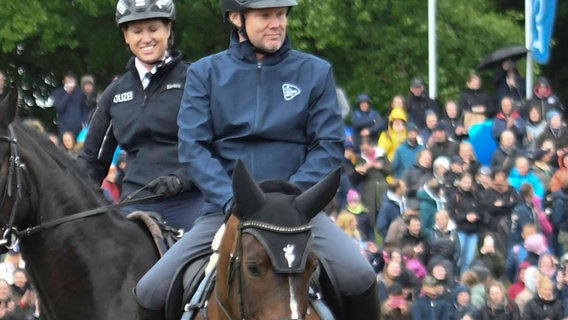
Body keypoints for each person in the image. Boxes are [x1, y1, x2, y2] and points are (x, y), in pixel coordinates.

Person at [135, 0, 379, 319]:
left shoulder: (316, 72)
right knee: (150, 291)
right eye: (265, 15)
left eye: (280, 14)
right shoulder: (204, 73)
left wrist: (291, 202)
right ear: (237, 18)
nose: (276, 22)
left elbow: (329, 146)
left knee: (360, 276)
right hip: (226, 210)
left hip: (297, 213)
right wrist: (231, 200)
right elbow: (194, 147)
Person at [78, 0, 203, 232]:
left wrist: (182, 180)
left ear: (169, 29)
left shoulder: (195, 80)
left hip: (188, 200)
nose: (146, 38)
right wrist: (90, 201)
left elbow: (214, 144)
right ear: (126, 36)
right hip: (135, 203)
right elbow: (91, 159)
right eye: (137, 31)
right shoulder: (115, 93)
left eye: (153, 29)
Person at [355, 137, 392, 227]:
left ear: (372, 146)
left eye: (367, 149)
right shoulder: (361, 159)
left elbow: (390, 170)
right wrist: (366, 167)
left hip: (382, 187)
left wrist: (380, 167)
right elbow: (358, 176)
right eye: (363, 150)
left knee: (383, 210)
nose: (365, 151)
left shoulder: (381, 156)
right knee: (370, 213)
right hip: (369, 189)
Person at [51, 71, 87, 140]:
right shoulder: (57, 93)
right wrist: (67, 93)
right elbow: (59, 108)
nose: (70, 84)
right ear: (63, 82)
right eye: (67, 82)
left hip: (78, 127)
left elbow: (84, 108)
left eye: (71, 82)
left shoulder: (80, 92)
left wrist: (84, 121)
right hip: (64, 127)